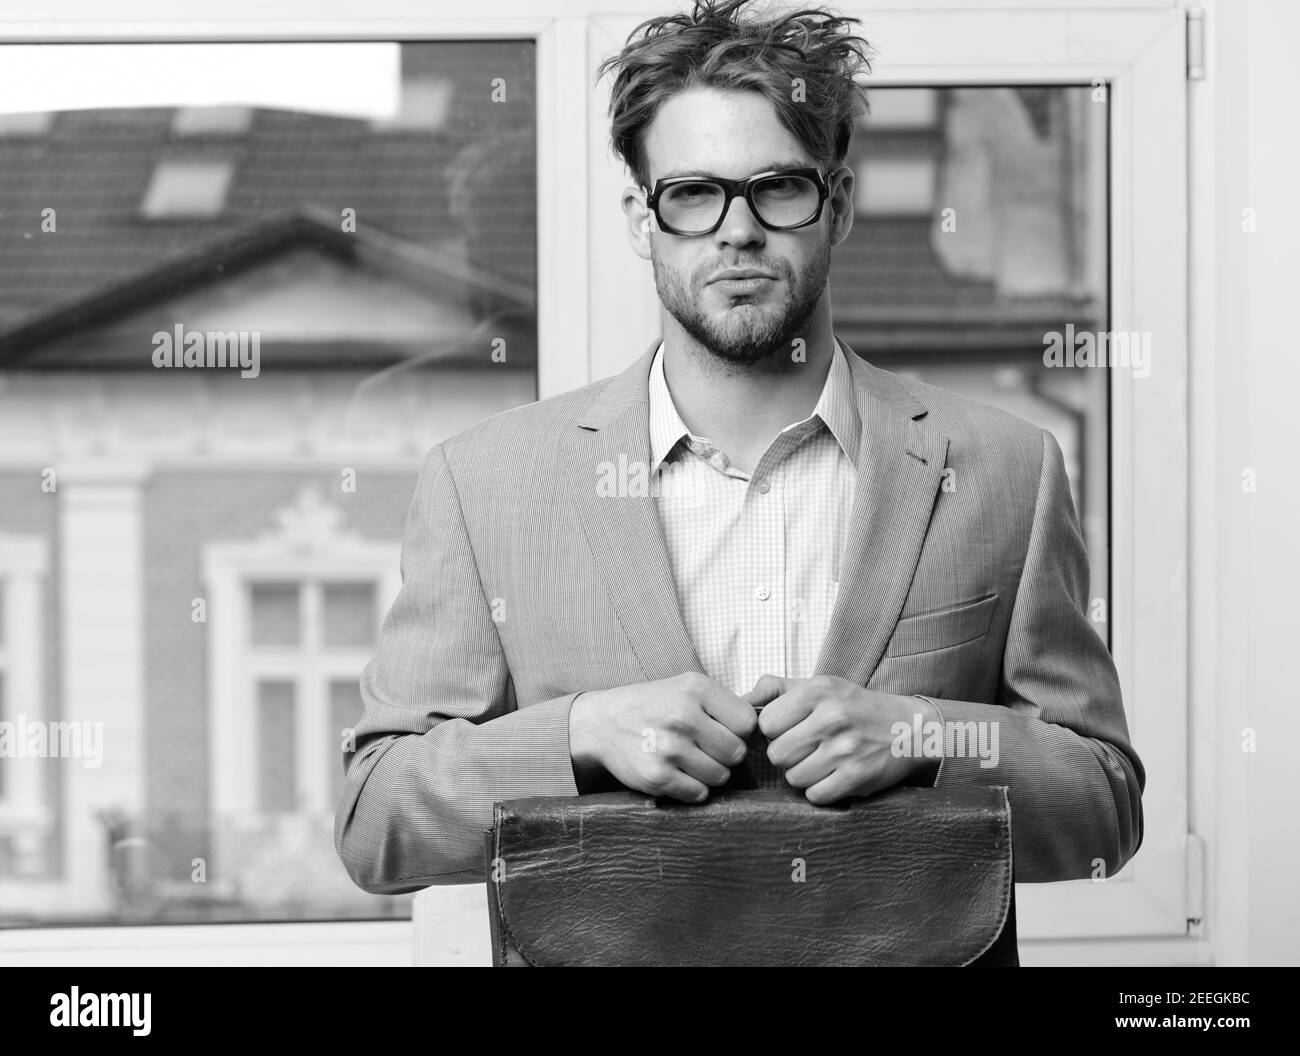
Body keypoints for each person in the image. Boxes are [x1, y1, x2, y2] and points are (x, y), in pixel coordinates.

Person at [335, 0, 1143, 894]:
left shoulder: (1007, 469)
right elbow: (377, 822)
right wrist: (578, 734)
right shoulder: (484, 484)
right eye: (692, 194)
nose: (737, 229)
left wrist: (920, 736)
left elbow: (1105, 803)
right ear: (643, 221)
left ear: (835, 206)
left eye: (778, 187)